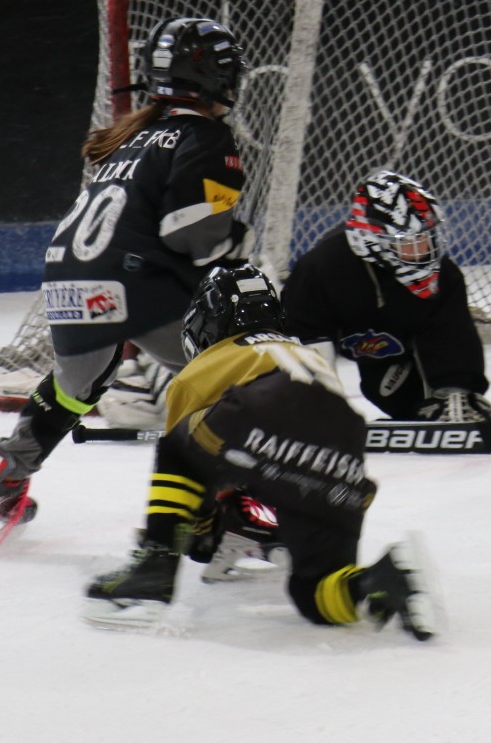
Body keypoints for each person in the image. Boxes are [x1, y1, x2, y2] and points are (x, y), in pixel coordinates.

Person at [0, 17, 253, 536]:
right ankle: (227, 508)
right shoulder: (206, 135)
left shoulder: (131, 135)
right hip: (134, 284)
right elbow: (189, 235)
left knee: (75, 388)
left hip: (67, 279)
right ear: (217, 80)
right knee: (239, 384)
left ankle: (2, 473)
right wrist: (236, 240)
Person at [83, 263, 436, 640]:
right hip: (345, 445)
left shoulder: (207, 364)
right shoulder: (305, 353)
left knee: (178, 449)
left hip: (266, 408)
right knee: (314, 591)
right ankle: (382, 580)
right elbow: (295, 444)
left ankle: (152, 574)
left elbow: (194, 470)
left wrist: (202, 531)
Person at [281, 170, 491, 423]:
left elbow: (452, 334)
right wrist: (317, 400)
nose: (423, 252)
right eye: (408, 243)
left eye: (425, 239)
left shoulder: (444, 275)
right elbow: (303, 334)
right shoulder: (320, 269)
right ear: (372, 240)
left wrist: (456, 389)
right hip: (353, 342)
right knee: (375, 389)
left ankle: (448, 399)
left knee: (390, 391)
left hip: (397, 350)